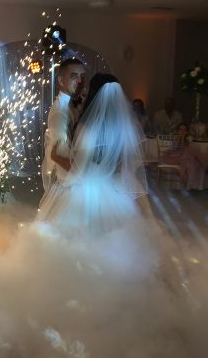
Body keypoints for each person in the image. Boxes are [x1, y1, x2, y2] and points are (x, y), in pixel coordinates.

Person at [37, 73, 150, 235]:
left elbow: (76, 169)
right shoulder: (123, 126)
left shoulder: (88, 128)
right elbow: (122, 164)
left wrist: (55, 157)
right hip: (112, 188)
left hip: (85, 193)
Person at [41, 57, 86, 193]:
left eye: (82, 76)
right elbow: (60, 156)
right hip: (71, 185)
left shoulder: (73, 104)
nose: (80, 82)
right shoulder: (60, 112)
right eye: (74, 76)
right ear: (61, 81)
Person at [159, 122, 205, 190]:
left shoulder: (186, 139)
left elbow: (185, 148)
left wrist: (185, 143)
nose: (182, 131)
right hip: (175, 155)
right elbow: (175, 149)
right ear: (178, 131)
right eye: (180, 130)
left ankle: (186, 182)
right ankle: (185, 181)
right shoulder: (177, 138)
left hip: (182, 155)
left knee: (191, 159)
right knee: (189, 159)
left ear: (187, 132)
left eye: (184, 130)